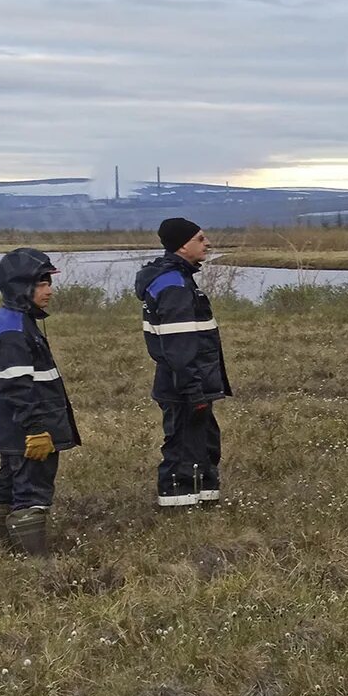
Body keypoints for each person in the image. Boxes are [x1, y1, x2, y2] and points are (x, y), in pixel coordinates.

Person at [0, 247, 79, 555]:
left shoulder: (14, 321)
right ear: (20, 286)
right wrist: (36, 429)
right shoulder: (12, 331)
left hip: (14, 430)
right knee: (32, 490)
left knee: (9, 483)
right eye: (41, 283)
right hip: (29, 431)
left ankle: (0, 549)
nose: (49, 291)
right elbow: (16, 388)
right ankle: (35, 563)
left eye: (49, 283)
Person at [134, 217, 231, 511]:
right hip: (184, 386)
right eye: (201, 239)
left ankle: (204, 503)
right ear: (182, 245)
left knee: (203, 444)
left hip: (191, 383)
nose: (208, 244)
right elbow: (179, 347)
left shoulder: (180, 278)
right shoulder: (173, 285)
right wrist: (193, 392)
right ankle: (179, 509)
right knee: (182, 449)